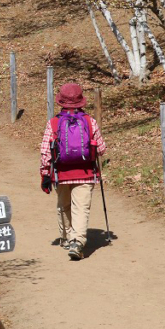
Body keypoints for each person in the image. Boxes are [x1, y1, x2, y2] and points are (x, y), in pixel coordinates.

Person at [40, 82, 107, 261]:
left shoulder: (53, 123)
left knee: (64, 206)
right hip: (86, 173)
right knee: (81, 208)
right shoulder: (89, 122)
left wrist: (44, 174)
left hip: (60, 174)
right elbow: (101, 149)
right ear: (81, 101)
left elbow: (45, 153)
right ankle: (77, 242)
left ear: (61, 101)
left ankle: (68, 238)